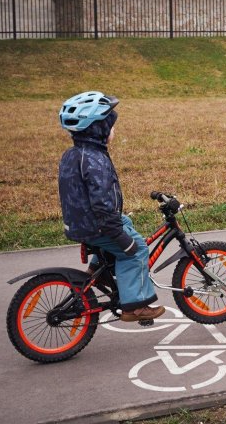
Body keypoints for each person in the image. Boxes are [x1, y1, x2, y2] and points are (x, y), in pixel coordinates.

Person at [58, 91, 165, 322]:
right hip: (97, 225)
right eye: (110, 125)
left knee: (126, 222)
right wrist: (120, 237)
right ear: (97, 129)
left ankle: (101, 271)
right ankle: (135, 307)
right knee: (136, 250)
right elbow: (102, 205)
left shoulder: (74, 154)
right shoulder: (95, 162)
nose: (114, 130)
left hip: (79, 221)